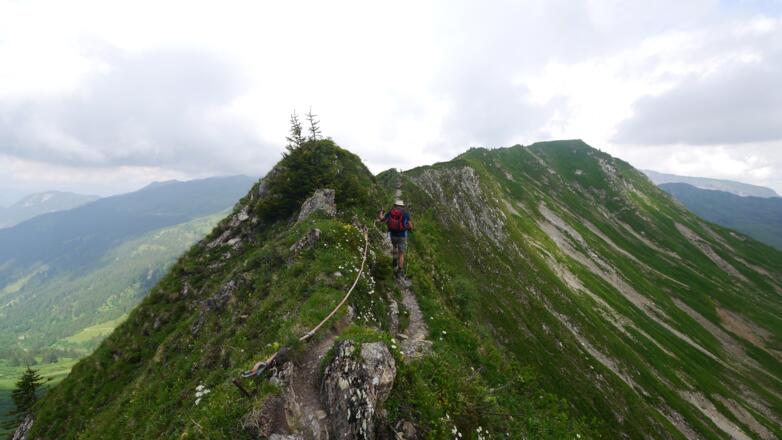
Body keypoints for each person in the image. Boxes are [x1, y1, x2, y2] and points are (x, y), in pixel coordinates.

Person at [378, 200, 413, 274]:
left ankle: (394, 259)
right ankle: (399, 270)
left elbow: (381, 219)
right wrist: (410, 229)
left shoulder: (390, 212)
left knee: (395, 247)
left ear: (395, 205)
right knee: (401, 253)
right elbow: (410, 225)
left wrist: (381, 212)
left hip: (393, 234)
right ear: (402, 206)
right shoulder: (405, 213)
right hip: (402, 235)